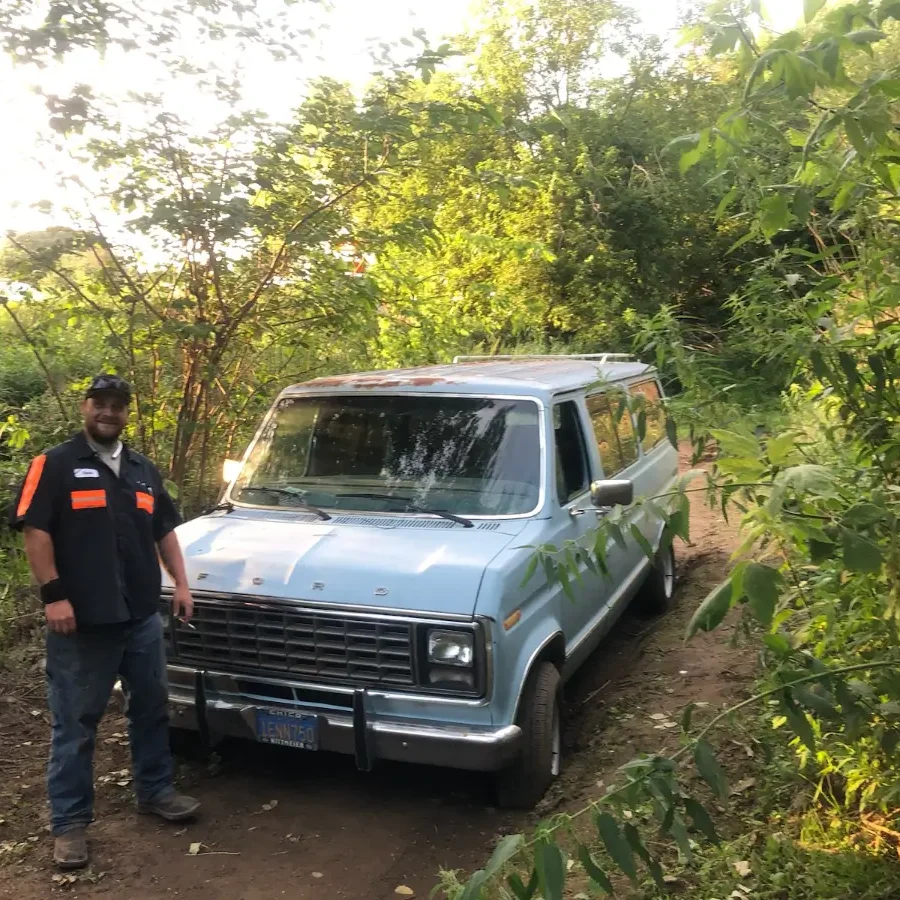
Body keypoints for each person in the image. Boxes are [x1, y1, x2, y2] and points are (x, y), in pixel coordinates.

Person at [10, 374, 200, 870]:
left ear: (125, 413)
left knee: (152, 708)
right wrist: (54, 596)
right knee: (75, 725)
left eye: (118, 405)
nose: (108, 412)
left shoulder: (141, 470)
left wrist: (180, 583)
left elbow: (165, 531)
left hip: (139, 616)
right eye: (101, 403)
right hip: (82, 622)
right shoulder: (52, 465)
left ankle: (154, 791)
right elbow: (35, 531)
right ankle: (69, 825)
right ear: (85, 406)